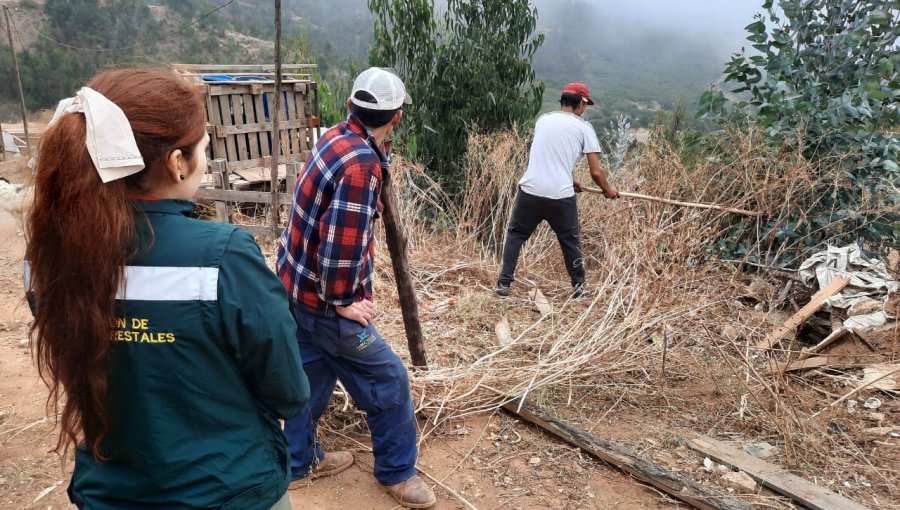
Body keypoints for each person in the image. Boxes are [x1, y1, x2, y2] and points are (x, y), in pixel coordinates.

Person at [25, 68, 310, 510]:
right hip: (229, 490)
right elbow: (287, 391)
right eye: (203, 150)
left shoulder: (48, 257)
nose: (206, 160)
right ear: (177, 163)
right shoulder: (223, 257)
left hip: (111, 492)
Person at [276, 67, 436, 509]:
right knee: (388, 379)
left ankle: (298, 460)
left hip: (295, 290)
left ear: (350, 106)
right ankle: (397, 473)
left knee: (308, 376)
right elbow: (340, 247)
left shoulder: (333, 138)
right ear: (397, 118)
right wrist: (344, 301)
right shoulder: (361, 164)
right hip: (325, 301)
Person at [496, 82, 620, 298]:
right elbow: (596, 172)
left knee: (516, 235)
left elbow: (549, 156)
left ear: (563, 100)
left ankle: (504, 284)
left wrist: (569, 178)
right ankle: (579, 288)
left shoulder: (543, 120)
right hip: (560, 196)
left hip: (530, 190)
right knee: (570, 240)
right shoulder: (584, 128)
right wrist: (608, 190)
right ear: (580, 103)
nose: (585, 109)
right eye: (585, 104)